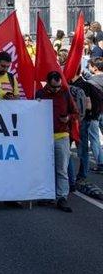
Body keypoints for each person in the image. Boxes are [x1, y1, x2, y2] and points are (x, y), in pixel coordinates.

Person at [35, 71, 77, 213]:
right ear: (47, 84)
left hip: (61, 135)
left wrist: (68, 118)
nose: (56, 90)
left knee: (61, 169)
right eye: (53, 87)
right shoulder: (40, 94)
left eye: (58, 87)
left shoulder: (65, 93)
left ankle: (61, 197)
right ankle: (47, 194)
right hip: (44, 137)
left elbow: (76, 112)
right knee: (45, 168)